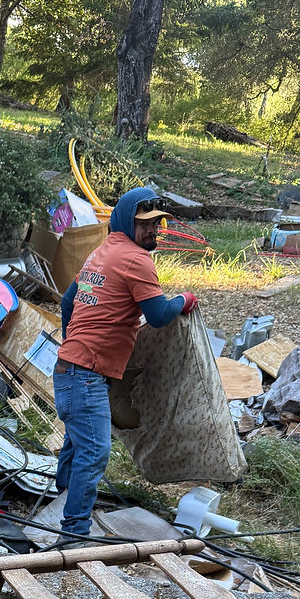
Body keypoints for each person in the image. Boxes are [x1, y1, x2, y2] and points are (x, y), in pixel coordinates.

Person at [52, 186, 198, 547]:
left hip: (69, 369)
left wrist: (78, 342)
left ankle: (58, 509)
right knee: (95, 452)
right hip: (84, 377)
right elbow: (159, 315)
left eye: (157, 223)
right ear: (125, 221)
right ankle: (72, 536)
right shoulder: (136, 260)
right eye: (144, 224)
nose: (153, 230)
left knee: (75, 447)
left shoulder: (101, 253)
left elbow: (69, 303)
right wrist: (184, 299)